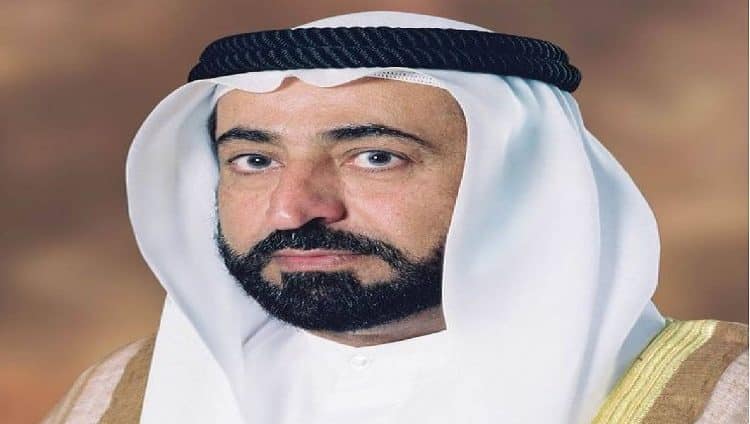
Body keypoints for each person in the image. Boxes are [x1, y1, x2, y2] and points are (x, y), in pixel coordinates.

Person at [42, 11, 747, 424]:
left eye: (375, 157)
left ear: (519, 182)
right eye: (254, 160)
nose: (295, 207)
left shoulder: (721, 393)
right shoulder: (122, 393)